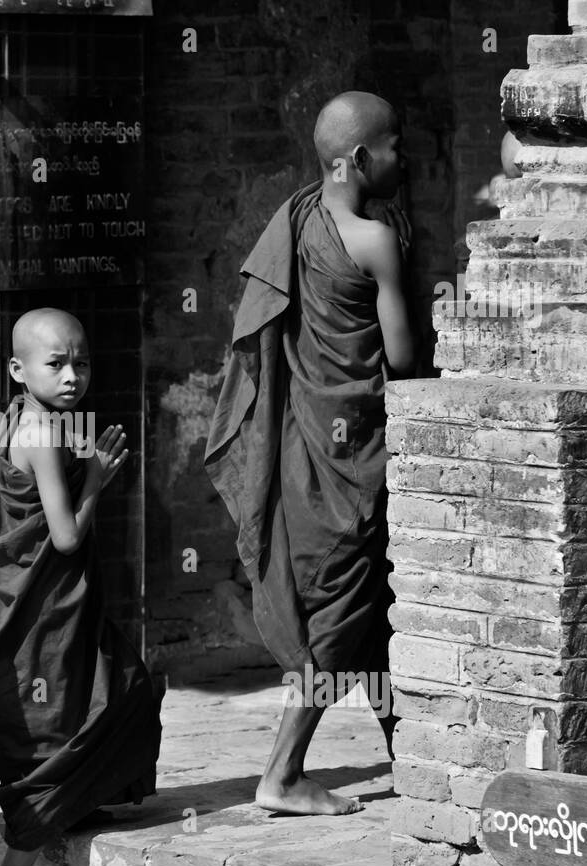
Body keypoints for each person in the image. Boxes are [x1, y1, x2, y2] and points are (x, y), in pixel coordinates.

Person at [205, 91, 414, 817]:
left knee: (369, 608)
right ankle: (284, 772)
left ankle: (412, 751)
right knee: (341, 618)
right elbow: (403, 355)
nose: (404, 158)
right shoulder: (375, 238)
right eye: (394, 145)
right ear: (358, 159)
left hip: (304, 451)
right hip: (354, 457)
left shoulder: (293, 223)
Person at [0, 308, 163, 866]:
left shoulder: (21, 417)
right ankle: (39, 826)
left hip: (32, 609)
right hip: (41, 617)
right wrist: (96, 478)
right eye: (57, 364)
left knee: (109, 690)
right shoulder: (42, 432)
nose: (73, 377)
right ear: (19, 369)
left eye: (82, 363)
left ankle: (71, 800)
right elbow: (65, 537)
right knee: (108, 700)